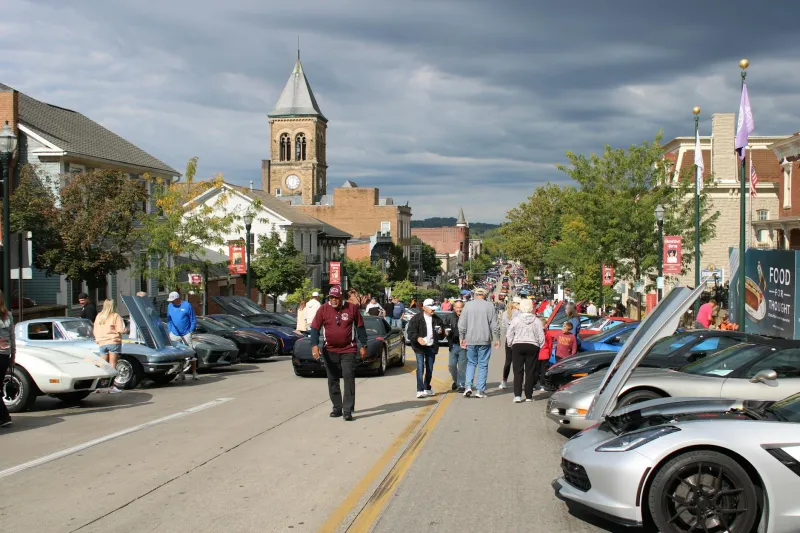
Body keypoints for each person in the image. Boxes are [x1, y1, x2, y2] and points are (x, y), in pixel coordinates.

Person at [310, 286, 368, 421]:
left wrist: (363, 345)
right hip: (329, 350)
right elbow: (314, 328)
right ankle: (337, 407)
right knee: (333, 379)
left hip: (348, 349)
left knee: (348, 377)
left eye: (336, 297)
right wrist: (314, 345)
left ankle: (347, 409)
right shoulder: (323, 309)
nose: (333, 300)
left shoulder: (352, 308)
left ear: (341, 297)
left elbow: (360, 327)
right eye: (331, 297)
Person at [458, 287, 500, 398]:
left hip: (470, 339)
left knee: (471, 363)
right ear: (485, 295)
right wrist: (497, 339)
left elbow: (462, 324)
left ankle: (468, 386)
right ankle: (480, 390)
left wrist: (462, 337)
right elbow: (494, 325)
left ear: (475, 295)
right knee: (483, 365)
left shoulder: (467, 305)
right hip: (485, 340)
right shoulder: (489, 306)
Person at [506, 299, 545, 402]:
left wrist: (510, 343)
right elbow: (541, 336)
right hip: (532, 345)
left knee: (518, 371)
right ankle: (528, 396)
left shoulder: (516, 319)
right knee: (530, 371)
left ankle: (517, 395)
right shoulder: (536, 320)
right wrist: (540, 345)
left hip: (518, 345)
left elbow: (509, 333)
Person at [407, 298, 445, 398]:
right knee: (420, 368)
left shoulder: (437, 319)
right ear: (424, 308)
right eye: (431, 308)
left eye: (434, 308)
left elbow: (441, 336)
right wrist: (417, 338)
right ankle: (420, 390)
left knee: (430, 368)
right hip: (419, 347)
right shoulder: (416, 318)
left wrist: (441, 333)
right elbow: (410, 333)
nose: (433, 310)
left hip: (431, 346)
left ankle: (427, 387)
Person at [94, 299, 127, 393]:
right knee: (112, 364)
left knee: (102, 365)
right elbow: (121, 329)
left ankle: (99, 386)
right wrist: (126, 330)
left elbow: (95, 329)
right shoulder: (115, 316)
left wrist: (98, 339)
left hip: (101, 342)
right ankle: (111, 386)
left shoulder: (99, 316)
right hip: (113, 341)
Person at [166, 291, 198, 381]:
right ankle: (180, 373)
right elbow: (169, 319)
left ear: (178, 298)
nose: (171, 302)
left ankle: (194, 372)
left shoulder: (187, 305)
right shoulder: (170, 306)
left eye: (173, 300)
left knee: (191, 353)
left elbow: (193, 319)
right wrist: (170, 330)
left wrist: (190, 331)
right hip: (174, 334)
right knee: (177, 355)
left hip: (186, 333)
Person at [443, 300, 467, 391]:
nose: (459, 309)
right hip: (453, 344)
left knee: (462, 366)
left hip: (463, 345)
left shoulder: (466, 317)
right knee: (452, 365)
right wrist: (445, 330)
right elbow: (444, 325)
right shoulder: (449, 316)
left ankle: (461, 384)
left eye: (460, 307)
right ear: (454, 308)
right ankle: (455, 380)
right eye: (457, 307)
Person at [0, 291, 15, 427]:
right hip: (5, 355)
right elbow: (12, 336)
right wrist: (13, 356)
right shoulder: (8, 315)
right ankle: (4, 417)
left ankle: (5, 417)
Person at [500, 298, 520, 389]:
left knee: (508, 361)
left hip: (509, 340)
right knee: (518, 362)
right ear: (514, 304)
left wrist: (508, 336)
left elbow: (503, 327)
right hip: (518, 339)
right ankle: (518, 381)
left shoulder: (504, 314)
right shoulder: (520, 313)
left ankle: (504, 380)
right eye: (518, 303)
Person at [535, 317, 555, 391]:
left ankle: (534, 384)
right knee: (543, 370)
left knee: (536, 370)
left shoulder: (536, 334)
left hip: (537, 354)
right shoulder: (548, 335)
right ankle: (542, 385)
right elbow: (550, 345)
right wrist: (549, 355)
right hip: (545, 354)